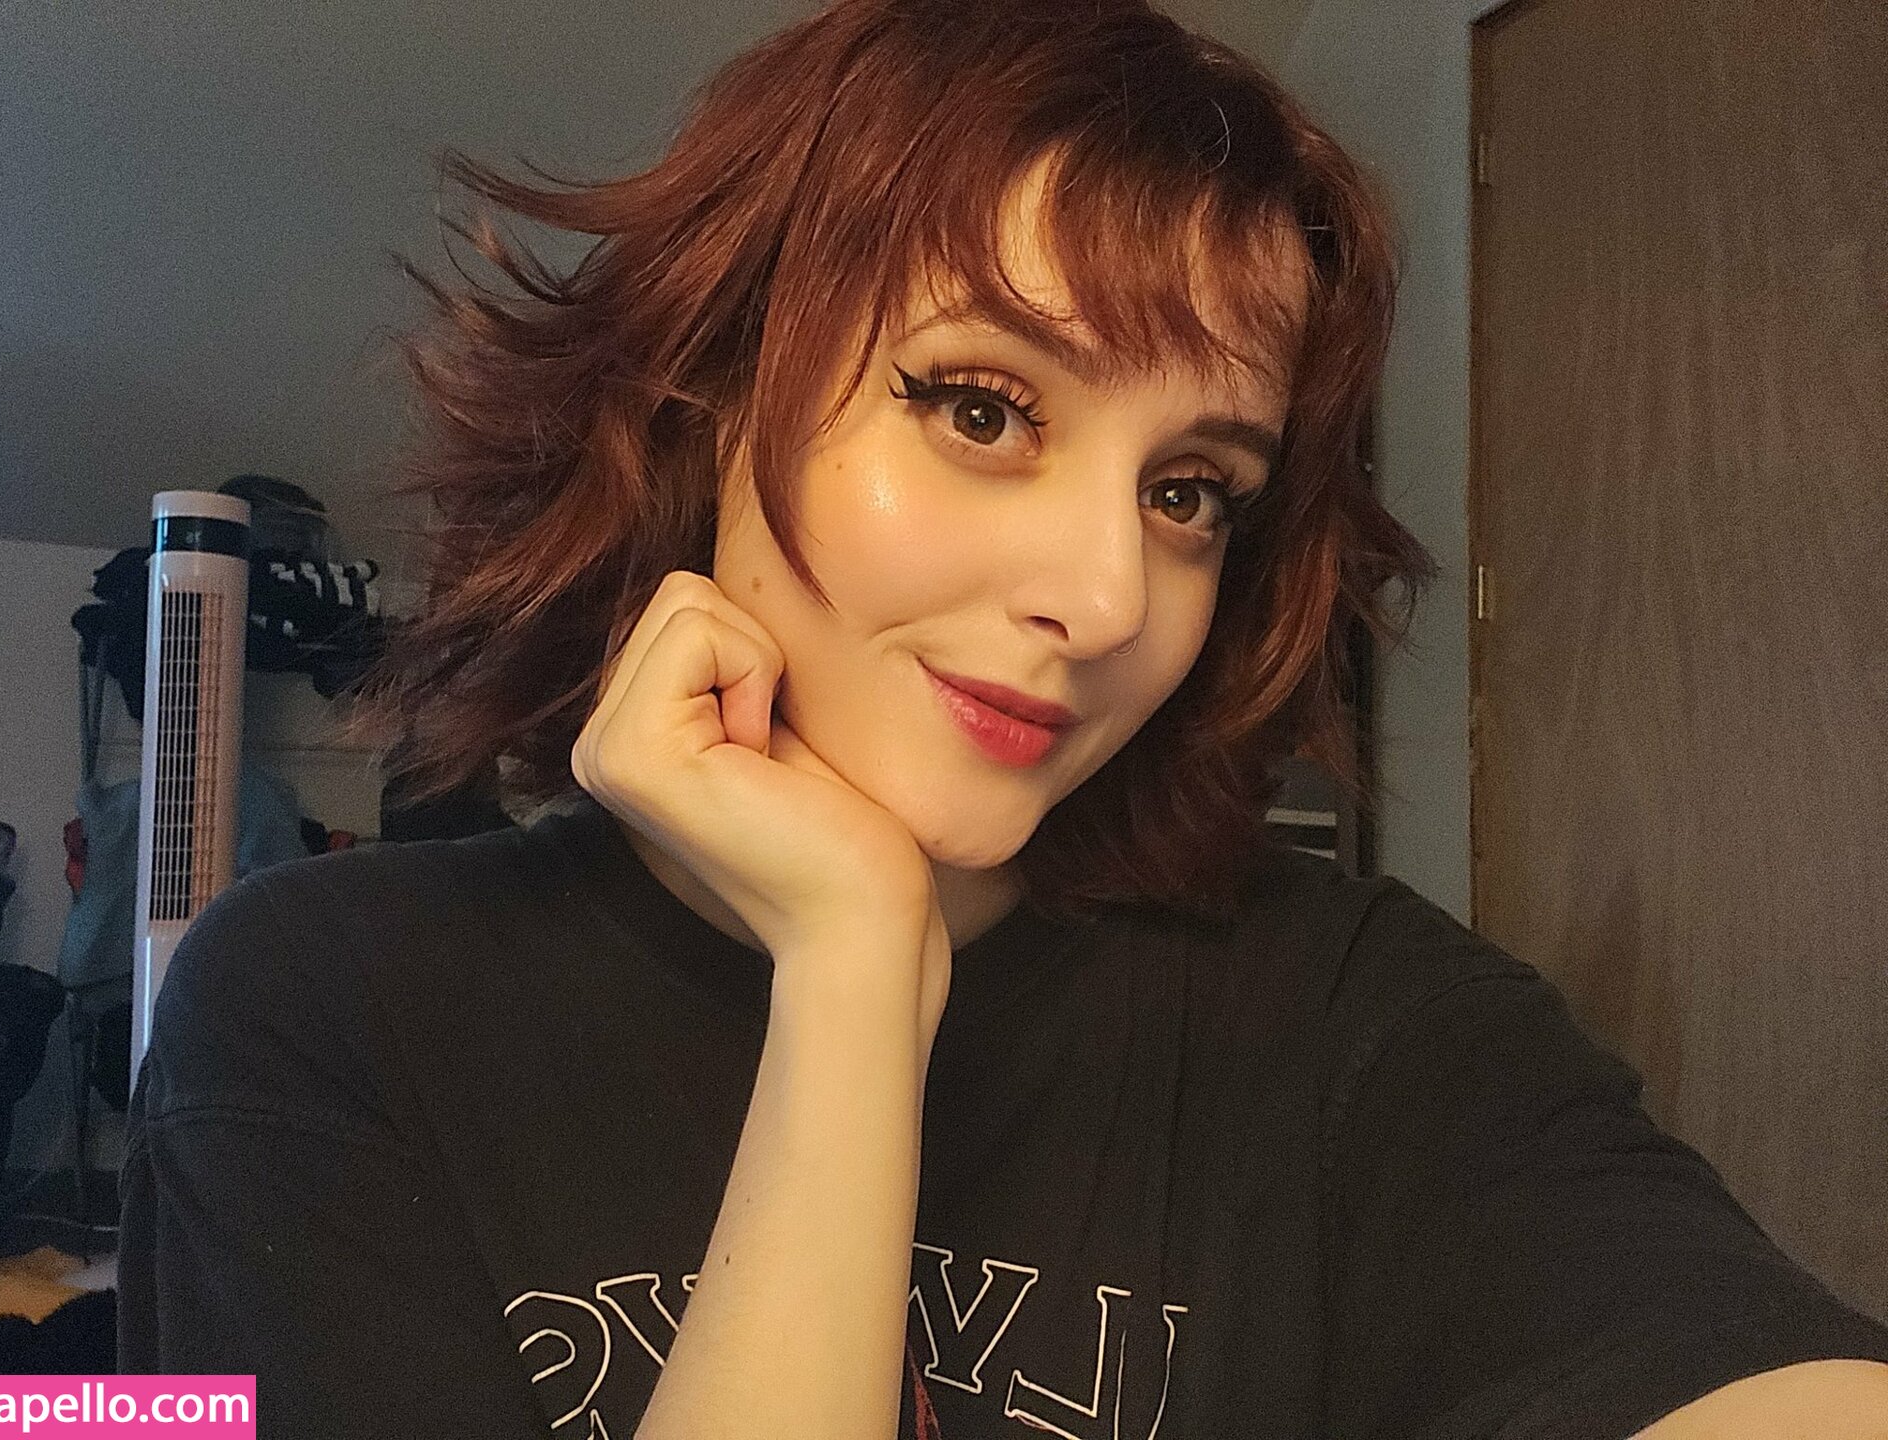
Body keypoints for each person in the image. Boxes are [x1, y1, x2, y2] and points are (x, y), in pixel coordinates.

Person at [116, 1, 1888, 1435]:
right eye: (983, 409)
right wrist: (851, 972)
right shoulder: (326, 1007)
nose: (1111, 598)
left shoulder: (1361, 1022)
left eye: (1190, 492)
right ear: (710, 400)